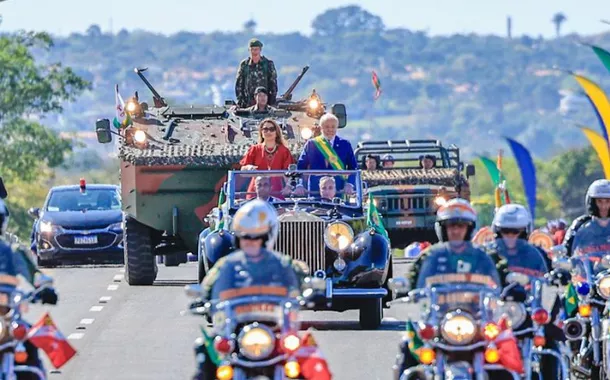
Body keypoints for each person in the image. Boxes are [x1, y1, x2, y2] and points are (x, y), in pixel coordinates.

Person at [397, 199, 507, 378]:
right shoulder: (430, 255)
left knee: (503, 353)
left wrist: (511, 286)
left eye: (460, 226)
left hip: (476, 320)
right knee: (408, 346)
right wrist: (405, 287)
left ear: (469, 228)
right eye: (451, 226)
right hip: (438, 320)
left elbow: (503, 274)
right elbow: (412, 277)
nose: (456, 231)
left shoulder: (484, 255)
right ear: (443, 229)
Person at [296, 113, 358, 194]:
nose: (330, 130)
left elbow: (353, 168)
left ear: (337, 128)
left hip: (339, 190)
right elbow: (301, 167)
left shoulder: (345, 144)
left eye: (333, 127)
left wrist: (350, 184)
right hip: (316, 190)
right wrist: (299, 184)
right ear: (321, 128)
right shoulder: (312, 144)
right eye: (327, 127)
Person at [484, 204, 549, 278]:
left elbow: (544, 281)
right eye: (505, 231)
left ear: (524, 232)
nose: (510, 235)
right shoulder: (488, 254)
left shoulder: (535, 255)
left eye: (515, 231)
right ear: (497, 231)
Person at [240, 118, 294, 197]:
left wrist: (288, 186)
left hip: (276, 192)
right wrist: (248, 168)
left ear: (276, 132)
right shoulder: (254, 149)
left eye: (272, 129)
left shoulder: (284, 151)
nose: (268, 132)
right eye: (265, 129)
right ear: (261, 132)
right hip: (255, 191)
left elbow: (288, 173)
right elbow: (242, 171)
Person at [563, 179, 610, 256]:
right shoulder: (580, 225)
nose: (603, 206)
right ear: (592, 202)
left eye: (608, 201)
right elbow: (566, 252)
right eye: (599, 201)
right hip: (586, 267)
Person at [235, 38, 278, 108]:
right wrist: (240, 102)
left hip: (265, 104)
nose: (254, 52)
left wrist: (271, 101)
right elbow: (239, 85)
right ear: (249, 50)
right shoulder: (244, 65)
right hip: (247, 103)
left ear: (260, 50)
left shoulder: (268, 64)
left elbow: (273, 84)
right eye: (252, 49)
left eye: (256, 49)